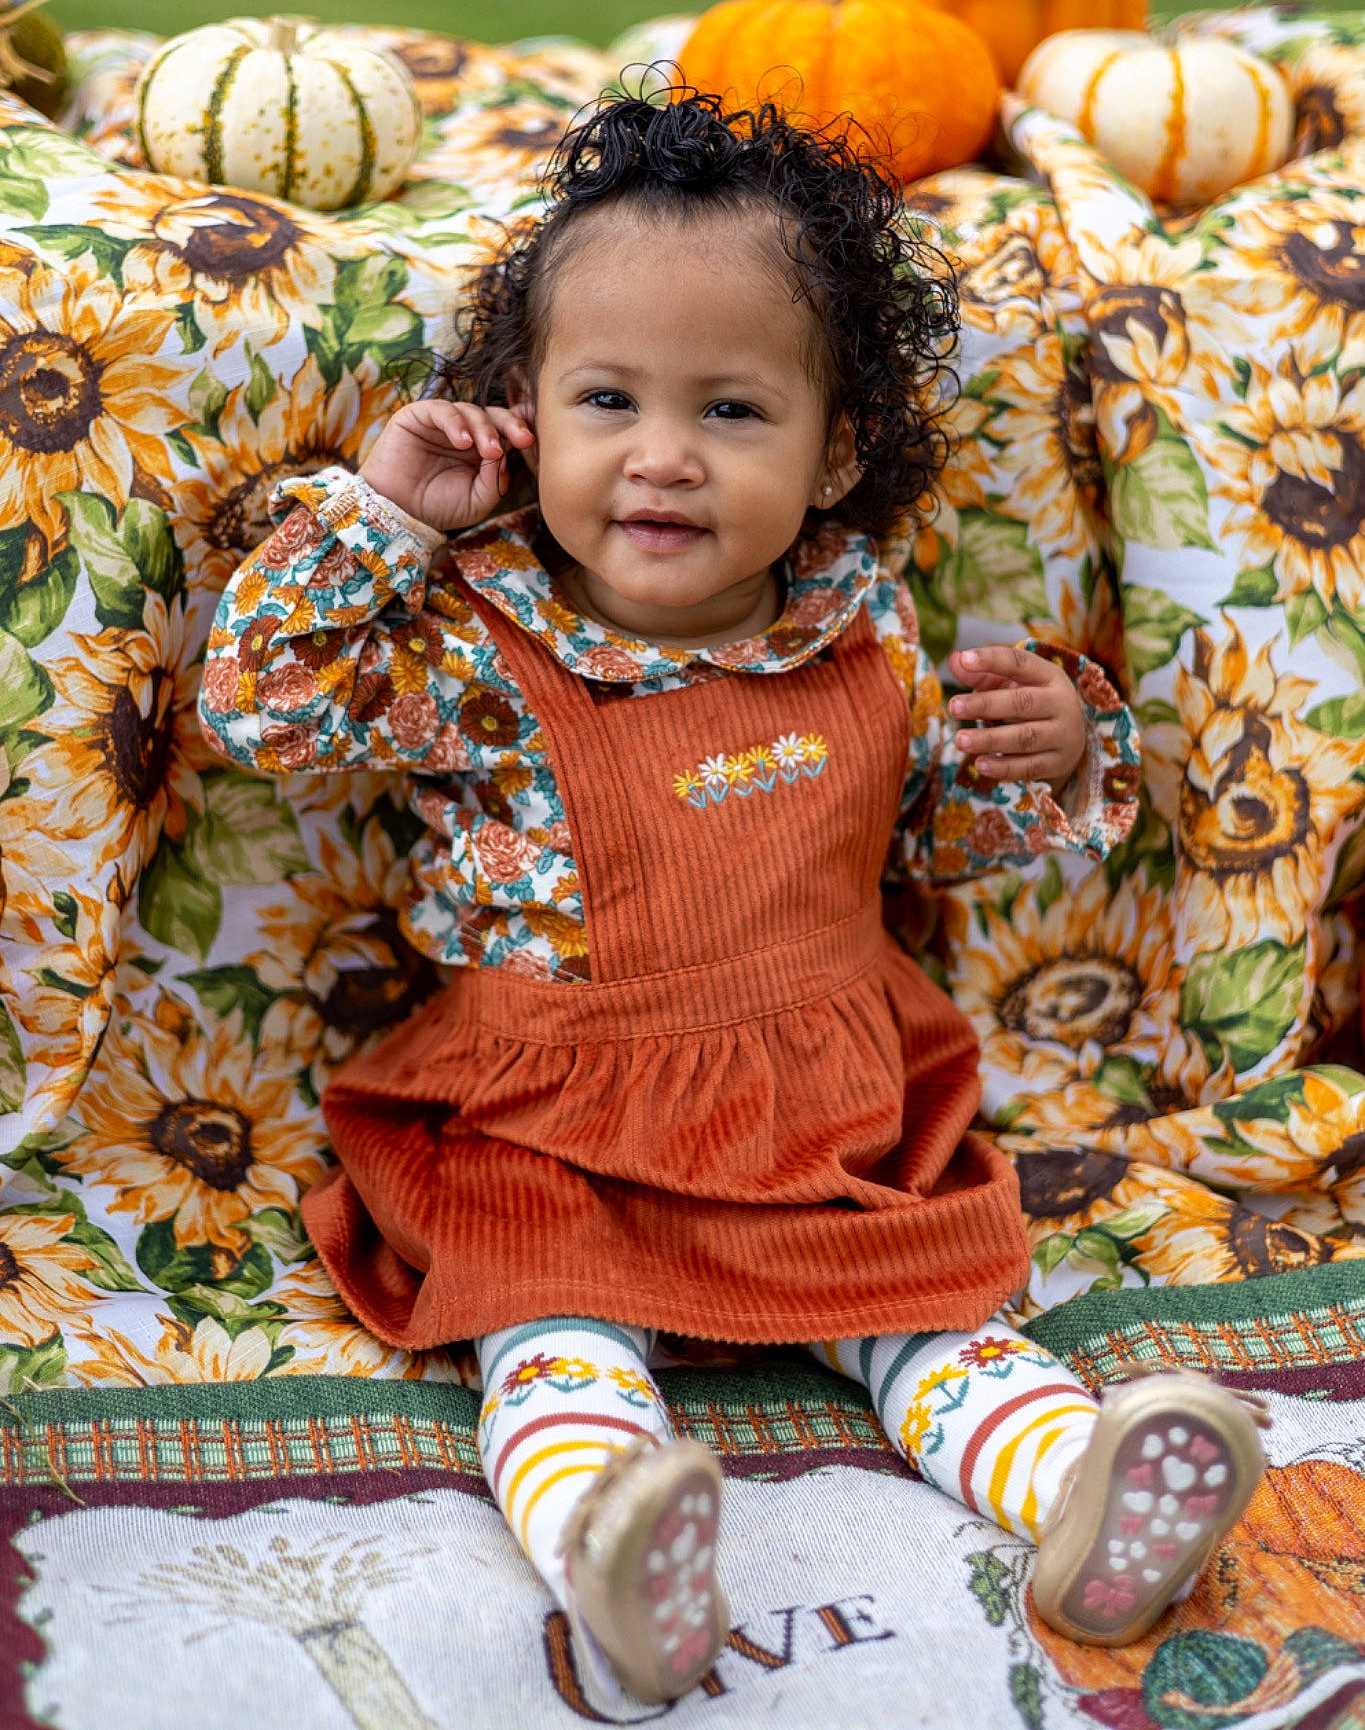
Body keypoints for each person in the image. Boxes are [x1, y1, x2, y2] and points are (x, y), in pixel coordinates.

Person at [199, 88, 1267, 1705]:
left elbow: (927, 842)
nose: (662, 458)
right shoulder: (479, 644)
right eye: (607, 399)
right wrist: (381, 515)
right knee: (552, 1338)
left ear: (837, 449)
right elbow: (261, 708)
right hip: (545, 1116)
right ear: (525, 415)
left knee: (933, 1316)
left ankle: (1079, 1498)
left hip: (821, 1100)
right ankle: (615, 1546)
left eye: (733, 413)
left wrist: (1040, 757)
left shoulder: (865, 631)